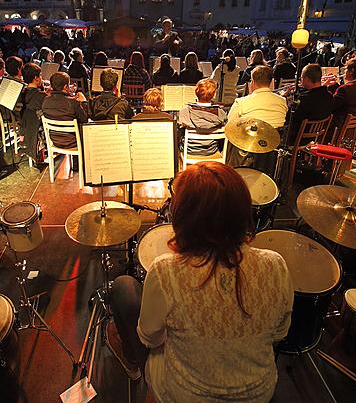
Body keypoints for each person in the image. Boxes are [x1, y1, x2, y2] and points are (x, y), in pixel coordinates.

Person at [107, 162, 294, 400]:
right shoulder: (277, 265)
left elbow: (149, 338)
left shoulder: (166, 271)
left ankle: (133, 366)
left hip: (185, 395)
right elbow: (279, 333)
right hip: (258, 393)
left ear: (183, 217)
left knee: (124, 288)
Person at [227, 65, 288, 170]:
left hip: (247, 151)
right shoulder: (282, 101)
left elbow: (230, 124)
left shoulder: (242, 102)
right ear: (271, 82)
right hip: (272, 153)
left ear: (253, 82)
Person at [41, 72, 89, 168]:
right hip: (72, 142)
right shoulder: (73, 103)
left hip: (54, 140)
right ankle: (77, 165)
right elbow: (85, 120)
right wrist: (83, 102)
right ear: (66, 86)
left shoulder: (45, 101)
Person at [177, 78, 227, 156]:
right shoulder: (221, 113)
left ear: (196, 92)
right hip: (211, 150)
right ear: (213, 94)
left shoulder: (184, 111)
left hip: (189, 150)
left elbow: (179, 134)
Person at [288, 64, 334, 143]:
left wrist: (287, 101)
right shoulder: (329, 96)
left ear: (306, 79)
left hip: (299, 139)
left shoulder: (304, 99)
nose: (301, 81)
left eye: (301, 78)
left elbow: (291, 117)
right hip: (317, 137)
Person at [329, 56, 356, 137]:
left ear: (352, 71)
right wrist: (334, 85)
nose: (345, 71)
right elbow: (348, 98)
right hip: (353, 128)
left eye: (346, 69)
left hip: (338, 128)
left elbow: (330, 106)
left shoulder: (345, 89)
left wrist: (324, 88)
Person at [19, 63, 46, 167]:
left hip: (26, 126)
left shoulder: (22, 92)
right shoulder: (40, 96)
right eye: (40, 75)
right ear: (36, 78)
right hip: (38, 128)